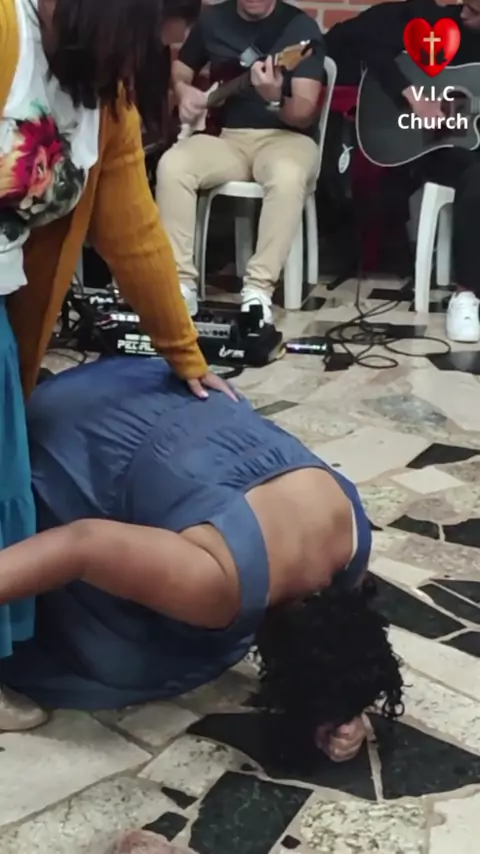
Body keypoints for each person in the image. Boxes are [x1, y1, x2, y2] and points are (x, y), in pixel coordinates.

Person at [0, 0, 235, 731]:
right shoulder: (7, 33)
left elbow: (132, 231)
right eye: (142, 44)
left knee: (7, 496)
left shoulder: (103, 92)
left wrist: (184, 352)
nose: (141, 66)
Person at [0, 357, 404, 763]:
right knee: (125, 662)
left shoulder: (352, 541)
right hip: (73, 428)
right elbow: (81, 545)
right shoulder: (221, 586)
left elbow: (339, 641)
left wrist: (342, 704)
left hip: (149, 381)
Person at [156, 0, 325, 323]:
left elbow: (304, 112)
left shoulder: (299, 28)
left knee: (287, 175)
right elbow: (181, 69)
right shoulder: (213, 20)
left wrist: (275, 98)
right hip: (228, 138)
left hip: (287, 139)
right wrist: (183, 90)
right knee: (173, 165)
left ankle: (258, 289)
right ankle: (180, 284)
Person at [327, 0, 480, 343]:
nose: (464, 14)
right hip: (436, 148)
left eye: (475, 12)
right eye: (467, 5)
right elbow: (367, 42)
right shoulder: (442, 24)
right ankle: (466, 295)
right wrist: (414, 98)